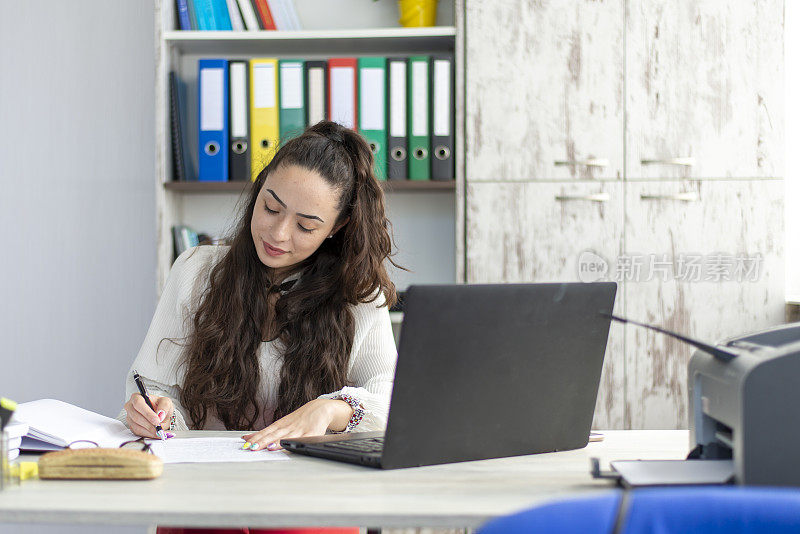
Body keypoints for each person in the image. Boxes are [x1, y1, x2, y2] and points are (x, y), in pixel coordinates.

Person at [118, 120, 400, 457]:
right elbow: (153, 385)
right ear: (260, 187)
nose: (278, 234)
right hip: (210, 478)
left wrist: (330, 410)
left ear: (337, 228)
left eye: (305, 226)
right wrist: (155, 413)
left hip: (314, 485)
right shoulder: (196, 270)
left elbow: (393, 401)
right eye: (271, 208)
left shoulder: (360, 293)